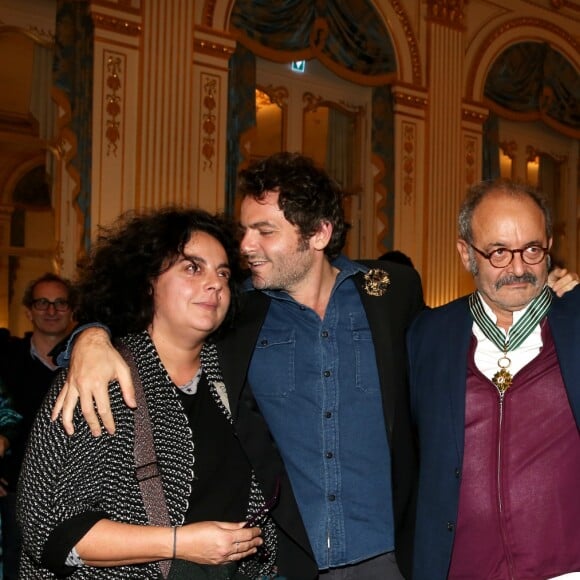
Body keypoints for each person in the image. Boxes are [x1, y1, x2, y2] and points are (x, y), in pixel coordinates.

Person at [50, 157, 579, 579]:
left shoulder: (392, 294)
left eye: (264, 231)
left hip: (394, 558)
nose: (245, 247)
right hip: (288, 562)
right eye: (244, 230)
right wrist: (89, 336)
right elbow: (157, 312)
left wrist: (553, 297)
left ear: (320, 233)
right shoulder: (237, 313)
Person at [17, 208, 317, 579]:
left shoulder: (236, 376)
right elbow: (50, 532)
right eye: (192, 268)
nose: (215, 283)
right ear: (148, 282)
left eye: (223, 273)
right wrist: (178, 543)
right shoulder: (102, 378)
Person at [406, 180, 580, 579]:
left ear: (549, 246)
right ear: (466, 253)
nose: (518, 269)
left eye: (532, 250)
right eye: (499, 252)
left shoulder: (575, 324)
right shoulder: (427, 337)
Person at [0, 272, 76, 580]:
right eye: (42, 302)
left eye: (60, 303)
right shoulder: (5, 359)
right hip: (15, 493)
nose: (51, 310)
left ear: (73, 311)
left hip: (72, 493)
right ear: (29, 311)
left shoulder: (87, 364)